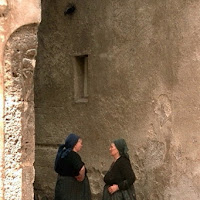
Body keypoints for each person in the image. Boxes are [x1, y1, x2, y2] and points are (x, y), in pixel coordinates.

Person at [54, 133, 91, 200]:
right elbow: (81, 168)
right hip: (72, 187)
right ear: (75, 144)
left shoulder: (63, 154)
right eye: (80, 143)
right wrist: (81, 178)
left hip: (62, 185)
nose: (81, 145)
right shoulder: (73, 155)